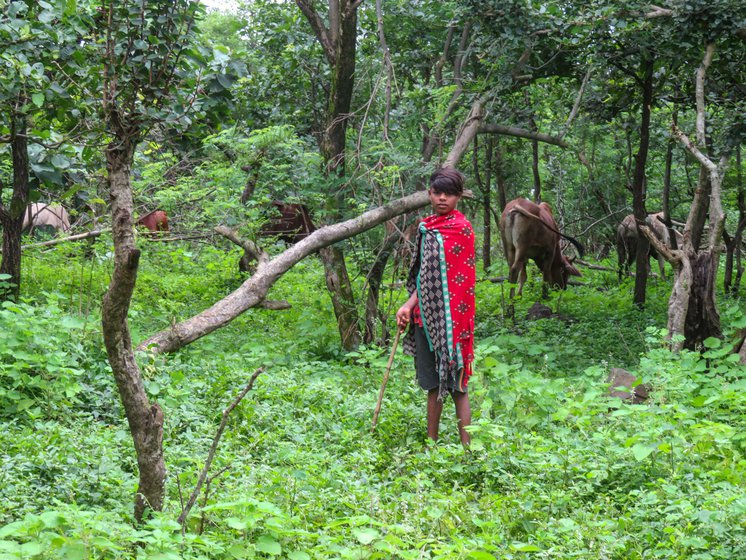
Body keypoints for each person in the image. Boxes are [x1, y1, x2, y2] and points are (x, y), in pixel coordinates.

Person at [396, 168, 476, 447]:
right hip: (424, 319)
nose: (443, 198)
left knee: (458, 385)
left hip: (452, 321)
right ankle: (432, 443)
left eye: (449, 194)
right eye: (437, 193)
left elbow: (454, 279)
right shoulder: (426, 227)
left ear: (458, 197)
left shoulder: (461, 229)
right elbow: (424, 276)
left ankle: (469, 448)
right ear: (429, 194)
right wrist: (408, 305)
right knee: (432, 383)